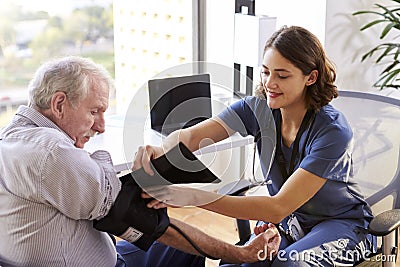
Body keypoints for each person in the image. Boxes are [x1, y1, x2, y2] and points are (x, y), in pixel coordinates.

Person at [0, 56, 281, 266]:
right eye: (94, 112)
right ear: (59, 104)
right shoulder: (52, 154)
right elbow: (142, 220)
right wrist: (243, 253)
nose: (100, 127)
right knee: (178, 244)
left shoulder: (13, 137)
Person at [134, 25, 377, 266]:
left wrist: (193, 196)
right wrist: (160, 150)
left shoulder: (333, 131)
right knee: (235, 262)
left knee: (289, 264)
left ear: (310, 78)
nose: (270, 83)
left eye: (282, 75)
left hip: (344, 228)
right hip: (291, 225)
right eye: (265, 72)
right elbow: (189, 138)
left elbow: (278, 207)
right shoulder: (257, 109)